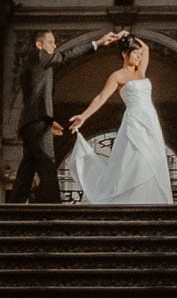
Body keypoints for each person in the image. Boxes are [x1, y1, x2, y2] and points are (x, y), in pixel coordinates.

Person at [9, 26, 120, 203]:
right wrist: (97, 43)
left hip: (33, 121)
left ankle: (12, 208)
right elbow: (66, 56)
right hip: (36, 121)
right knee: (47, 163)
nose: (55, 46)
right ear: (39, 45)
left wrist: (48, 119)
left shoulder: (37, 64)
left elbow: (34, 97)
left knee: (27, 168)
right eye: (51, 42)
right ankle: (55, 208)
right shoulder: (39, 57)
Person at [67, 34, 174, 206]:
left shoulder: (141, 72)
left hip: (150, 121)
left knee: (152, 159)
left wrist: (128, 34)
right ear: (124, 54)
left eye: (140, 55)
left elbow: (146, 48)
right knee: (136, 160)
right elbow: (101, 97)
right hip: (134, 121)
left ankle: (148, 202)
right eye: (135, 54)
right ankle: (131, 201)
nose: (139, 57)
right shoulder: (117, 76)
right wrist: (84, 116)